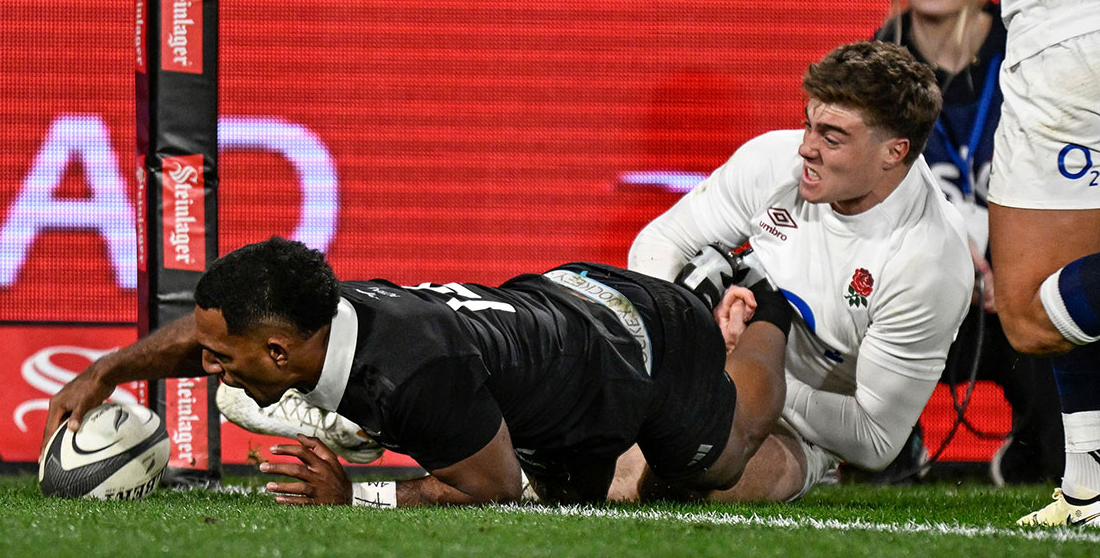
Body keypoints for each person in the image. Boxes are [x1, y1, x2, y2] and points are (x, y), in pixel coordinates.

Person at [42, 237, 792, 507]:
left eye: (220, 360)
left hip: (639, 344)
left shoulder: (412, 376)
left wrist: (356, 493)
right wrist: (110, 370)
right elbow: (209, 324)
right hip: (559, 325)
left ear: (278, 354)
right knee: (576, 500)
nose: (206, 369)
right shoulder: (317, 311)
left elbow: (490, 487)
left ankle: (765, 297)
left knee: (717, 461)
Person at [610, 40, 974, 502]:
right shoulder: (773, 161)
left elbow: (875, 439)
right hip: (694, 374)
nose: (806, 147)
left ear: (893, 152)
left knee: (669, 481)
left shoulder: (929, 264)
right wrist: (682, 338)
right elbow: (661, 243)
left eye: (831, 136)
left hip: (798, 428)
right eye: (808, 123)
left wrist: (756, 378)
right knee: (582, 445)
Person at [900, 0, 1100, 526]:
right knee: (1078, 275)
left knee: (1033, 311)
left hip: (1071, 32)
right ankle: (1088, 486)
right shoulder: (889, 52)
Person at [873, 0, 1062, 486]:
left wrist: (1009, 258)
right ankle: (884, 446)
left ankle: (1041, 450)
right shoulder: (873, 68)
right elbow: (861, 197)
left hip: (1015, 280)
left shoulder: (1028, 55)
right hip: (917, 283)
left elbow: (1063, 177)